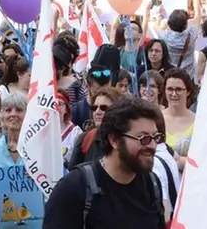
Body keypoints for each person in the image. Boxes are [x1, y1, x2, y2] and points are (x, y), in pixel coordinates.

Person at [43, 98, 166, 229]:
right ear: (114, 140)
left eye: (155, 137)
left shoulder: (152, 184)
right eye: (144, 138)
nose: (152, 146)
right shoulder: (74, 188)